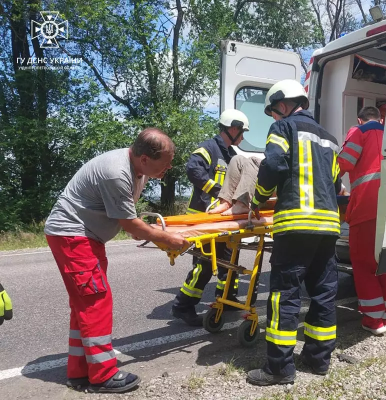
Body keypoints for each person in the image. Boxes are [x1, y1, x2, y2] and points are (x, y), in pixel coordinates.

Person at [44, 128, 189, 393]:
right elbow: (128, 222)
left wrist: (139, 230)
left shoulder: (138, 171)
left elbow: (126, 217)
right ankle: (102, 376)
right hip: (74, 236)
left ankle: (80, 372)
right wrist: (167, 239)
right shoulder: (117, 172)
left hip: (87, 237)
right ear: (145, 158)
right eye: (165, 162)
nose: (169, 167)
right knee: (96, 302)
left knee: (84, 304)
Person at [246, 79, 343, 386]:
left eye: (274, 112)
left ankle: (279, 369)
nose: (274, 118)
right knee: (324, 294)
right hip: (328, 227)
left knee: (285, 296)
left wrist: (258, 199)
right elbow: (337, 184)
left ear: (283, 106)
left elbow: (272, 166)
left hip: (295, 225)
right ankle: (318, 360)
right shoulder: (330, 139)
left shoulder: (284, 128)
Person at [171, 109, 250, 326]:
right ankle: (183, 305)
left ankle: (227, 298)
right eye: (242, 132)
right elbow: (193, 170)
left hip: (224, 220)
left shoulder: (232, 156)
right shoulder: (208, 148)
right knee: (205, 264)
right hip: (203, 217)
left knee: (230, 259)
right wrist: (218, 191)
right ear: (232, 128)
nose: (242, 138)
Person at [337, 106, 386, 335]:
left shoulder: (359, 132)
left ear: (359, 119)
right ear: (381, 118)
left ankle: (374, 321)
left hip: (366, 207)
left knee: (363, 264)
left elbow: (343, 164)